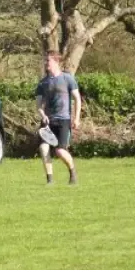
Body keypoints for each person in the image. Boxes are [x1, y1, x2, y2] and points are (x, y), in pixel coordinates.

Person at [35, 53, 82, 185]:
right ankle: (50, 180)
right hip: (48, 121)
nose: (46, 63)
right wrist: (43, 115)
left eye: (48, 61)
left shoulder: (68, 79)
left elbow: (77, 99)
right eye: (45, 61)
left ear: (56, 62)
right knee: (43, 148)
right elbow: (38, 105)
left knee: (60, 151)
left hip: (63, 120)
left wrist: (76, 118)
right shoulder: (43, 83)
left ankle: (72, 172)